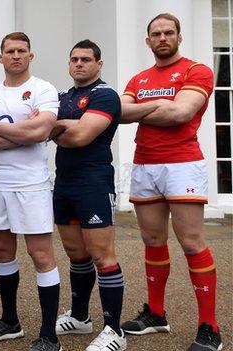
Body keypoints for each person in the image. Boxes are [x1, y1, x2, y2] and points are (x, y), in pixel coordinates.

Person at [120, 13, 222, 351]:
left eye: (168, 32)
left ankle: (210, 328)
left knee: (192, 243)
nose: (162, 38)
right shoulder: (139, 78)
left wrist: (146, 108)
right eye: (156, 34)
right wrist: (164, 103)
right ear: (147, 41)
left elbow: (181, 113)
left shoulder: (197, 71)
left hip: (182, 164)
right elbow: (120, 113)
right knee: (152, 240)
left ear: (178, 37)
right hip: (145, 163)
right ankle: (156, 315)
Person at [0, 32, 62, 351]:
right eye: (10, 51)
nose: (16, 55)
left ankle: (49, 334)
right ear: (1, 57)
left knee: (41, 255)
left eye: (22, 50)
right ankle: (10, 321)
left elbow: (41, 130)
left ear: (31, 55)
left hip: (31, 183)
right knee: (2, 253)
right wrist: (25, 134)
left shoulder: (43, 89)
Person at [51, 40, 126, 351]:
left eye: (85, 59)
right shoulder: (61, 97)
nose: (79, 64)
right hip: (64, 183)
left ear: (99, 64)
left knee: (101, 254)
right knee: (75, 254)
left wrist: (56, 129)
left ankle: (114, 331)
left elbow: (82, 136)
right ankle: (80, 317)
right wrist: (63, 125)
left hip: (93, 183)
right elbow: (39, 126)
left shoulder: (106, 95)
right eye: (74, 59)